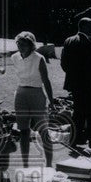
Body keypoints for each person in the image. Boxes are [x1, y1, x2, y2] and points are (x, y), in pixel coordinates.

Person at [9, 31, 55, 167]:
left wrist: (52, 101)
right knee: (23, 131)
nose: (21, 47)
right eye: (19, 44)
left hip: (37, 94)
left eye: (24, 45)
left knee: (43, 130)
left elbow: (46, 81)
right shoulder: (14, 57)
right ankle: (25, 166)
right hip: (21, 94)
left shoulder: (39, 58)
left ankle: (49, 165)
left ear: (31, 45)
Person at [60, 17, 91, 149]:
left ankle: (74, 140)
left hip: (74, 83)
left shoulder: (68, 40)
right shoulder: (87, 43)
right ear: (84, 27)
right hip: (89, 85)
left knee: (78, 112)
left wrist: (73, 76)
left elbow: (63, 63)